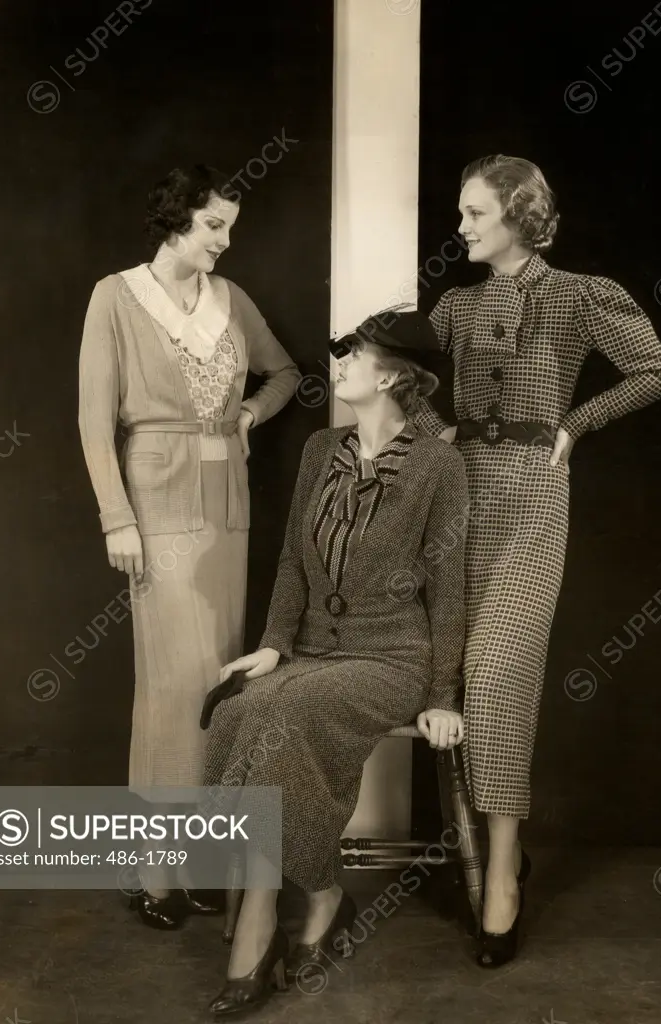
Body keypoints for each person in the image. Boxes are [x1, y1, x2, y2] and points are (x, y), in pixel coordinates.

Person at [415, 154, 661, 967]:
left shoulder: (577, 295)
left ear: (518, 217)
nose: (458, 228)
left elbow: (658, 371)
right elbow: (400, 378)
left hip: (533, 497)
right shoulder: (454, 307)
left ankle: (501, 870)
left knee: (498, 675)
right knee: (455, 671)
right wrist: (439, 433)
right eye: (458, 214)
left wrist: (575, 424)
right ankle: (475, 853)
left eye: (472, 214)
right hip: (461, 500)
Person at [202, 309, 468, 1018]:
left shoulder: (441, 465)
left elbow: (446, 590)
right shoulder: (320, 449)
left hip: (389, 658)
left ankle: (256, 929)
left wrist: (443, 692)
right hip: (311, 649)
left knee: (281, 713)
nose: (339, 362)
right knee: (242, 705)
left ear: (389, 376)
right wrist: (271, 645)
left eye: (353, 354)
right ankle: (320, 891)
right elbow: (292, 562)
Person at [78, 163, 301, 928]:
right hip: (157, 505)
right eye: (214, 226)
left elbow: (284, 373)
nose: (225, 241)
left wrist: (249, 416)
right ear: (176, 219)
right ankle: (152, 872)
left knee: (220, 685)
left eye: (230, 227)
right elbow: (92, 421)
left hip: (226, 507)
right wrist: (117, 517)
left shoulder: (230, 300)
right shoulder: (115, 296)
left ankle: (200, 860)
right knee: (172, 690)